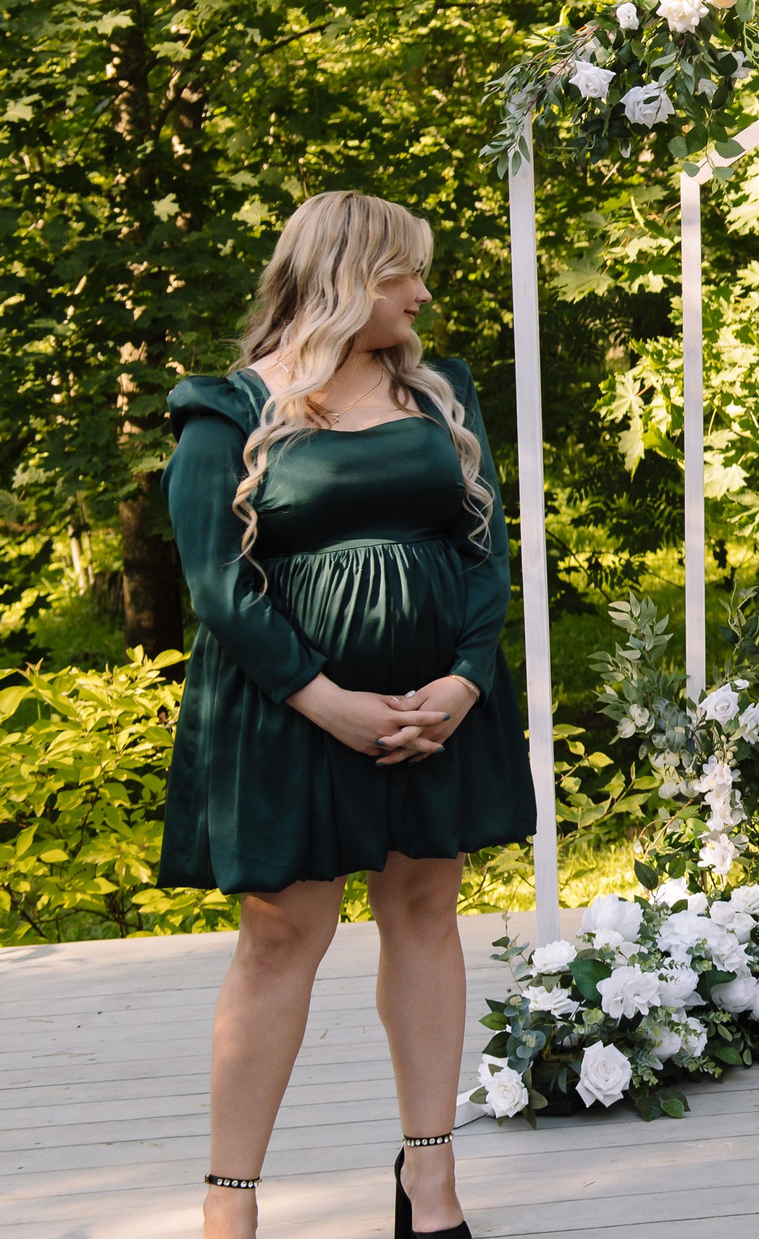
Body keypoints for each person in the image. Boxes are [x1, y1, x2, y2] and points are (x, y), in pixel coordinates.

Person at [163, 191, 533, 1239]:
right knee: (284, 936)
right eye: (400, 274)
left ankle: (432, 1179)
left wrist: (464, 680)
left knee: (424, 909)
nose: (421, 291)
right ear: (341, 280)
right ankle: (228, 1204)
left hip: (435, 710)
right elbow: (216, 582)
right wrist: (326, 700)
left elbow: (485, 548)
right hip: (287, 711)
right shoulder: (226, 410)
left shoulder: (441, 394)